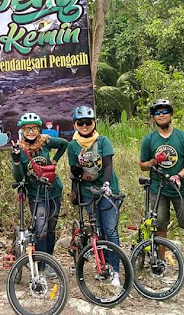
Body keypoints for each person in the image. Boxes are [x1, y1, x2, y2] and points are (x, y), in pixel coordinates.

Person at [138, 99, 184, 278]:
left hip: (180, 189)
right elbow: (142, 165)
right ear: (153, 118)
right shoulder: (149, 139)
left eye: (164, 112)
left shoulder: (182, 137)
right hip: (158, 189)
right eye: (157, 113)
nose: (161, 115)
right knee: (160, 224)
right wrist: (155, 161)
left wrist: (179, 176)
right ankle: (161, 261)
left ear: (170, 114)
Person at [67, 105, 122, 286]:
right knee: (97, 232)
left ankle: (114, 270)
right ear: (75, 124)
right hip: (87, 192)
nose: (84, 126)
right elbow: (74, 171)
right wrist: (77, 166)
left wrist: (106, 184)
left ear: (94, 123)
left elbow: (107, 165)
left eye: (88, 122)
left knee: (110, 230)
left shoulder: (103, 141)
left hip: (107, 190)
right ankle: (103, 267)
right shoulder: (73, 145)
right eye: (80, 123)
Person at [11, 112, 67, 276]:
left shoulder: (45, 142)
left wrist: (54, 159)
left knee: (51, 228)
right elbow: (19, 176)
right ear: (22, 130)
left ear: (38, 129)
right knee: (41, 229)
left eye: (34, 128)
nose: (31, 132)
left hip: (53, 190)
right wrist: (15, 161)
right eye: (27, 129)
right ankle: (40, 266)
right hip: (36, 194)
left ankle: (49, 261)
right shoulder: (19, 149)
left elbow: (64, 143)